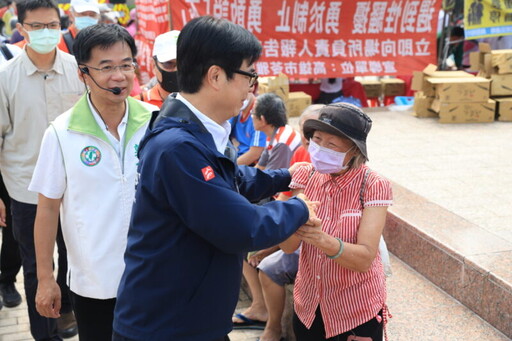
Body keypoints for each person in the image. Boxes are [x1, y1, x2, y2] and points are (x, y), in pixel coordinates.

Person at [113, 15, 318, 341]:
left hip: (191, 317)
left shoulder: (193, 129)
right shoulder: (178, 148)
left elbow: (231, 180)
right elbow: (243, 227)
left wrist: (285, 177)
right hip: (167, 326)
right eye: (249, 75)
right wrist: (302, 208)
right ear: (216, 76)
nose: (253, 89)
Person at [30, 23, 156, 341]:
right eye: (106, 67)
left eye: (126, 65)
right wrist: (46, 278)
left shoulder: (155, 122)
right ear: (82, 73)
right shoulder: (61, 133)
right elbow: (46, 210)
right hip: (97, 283)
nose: (119, 76)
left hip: (157, 276)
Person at [0, 0, 83, 339]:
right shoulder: (6, 78)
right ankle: (43, 333)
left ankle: (64, 311)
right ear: (22, 29)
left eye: (52, 25)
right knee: (36, 268)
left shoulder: (78, 70)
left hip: (75, 189)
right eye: (37, 26)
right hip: (26, 192)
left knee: (73, 259)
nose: (46, 32)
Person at [280, 103, 393, 340]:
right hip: (308, 305)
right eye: (317, 139)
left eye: (331, 144)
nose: (320, 149)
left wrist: (321, 239)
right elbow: (288, 246)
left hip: (354, 310)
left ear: (354, 150)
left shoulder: (372, 185)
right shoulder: (305, 175)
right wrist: (294, 218)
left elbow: (364, 259)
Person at [232, 92, 301, 329]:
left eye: (253, 113)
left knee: (241, 241)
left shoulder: (281, 142)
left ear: (263, 118)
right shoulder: (274, 136)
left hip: (286, 202)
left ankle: (260, 307)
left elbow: (275, 188)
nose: (251, 117)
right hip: (278, 197)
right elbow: (261, 170)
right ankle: (258, 305)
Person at [256, 104, 323, 341]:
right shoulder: (300, 159)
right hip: (298, 234)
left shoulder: (284, 143)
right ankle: (265, 317)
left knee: (267, 261)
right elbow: (283, 198)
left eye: (318, 132)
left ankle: (271, 327)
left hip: (318, 243)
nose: (309, 138)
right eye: (307, 131)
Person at [135, 30, 179, 108]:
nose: (177, 69)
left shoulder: (203, 102)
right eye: (169, 63)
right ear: (154, 66)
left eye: (183, 64)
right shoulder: (138, 105)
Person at [230, 91, 266, 166]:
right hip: (236, 156)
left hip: (250, 164)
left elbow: (255, 154)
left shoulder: (258, 114)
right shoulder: (237, 112)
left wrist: (230, 168)